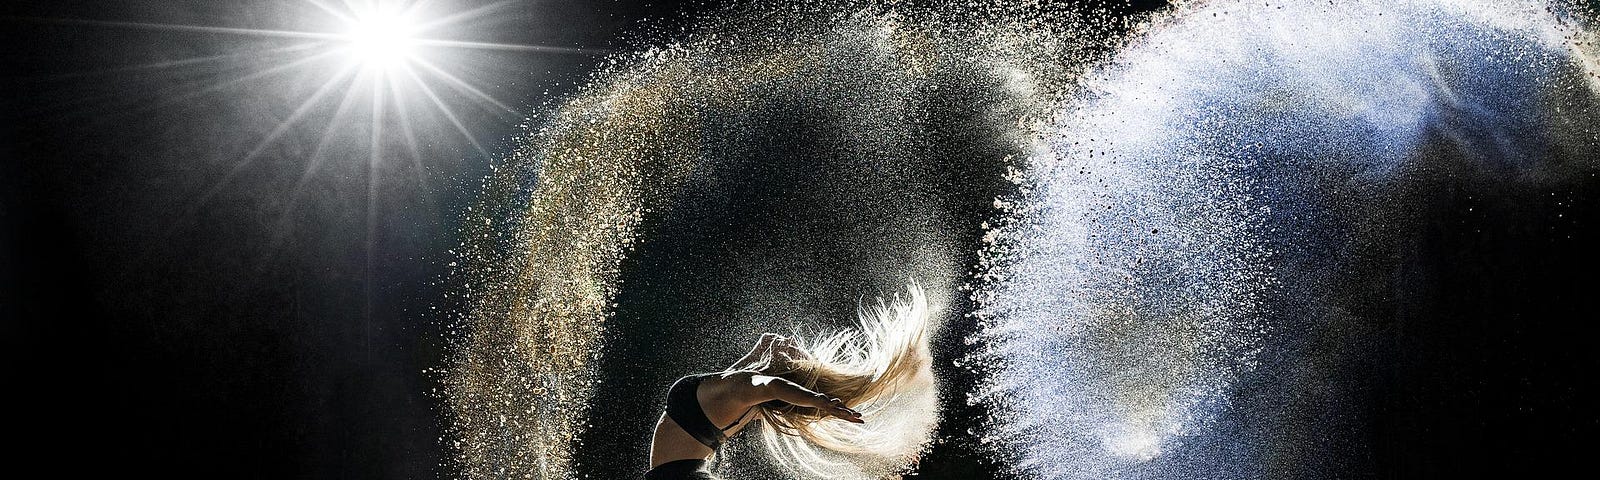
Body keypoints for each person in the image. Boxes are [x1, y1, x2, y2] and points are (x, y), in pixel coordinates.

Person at [644, 282, 933, 479]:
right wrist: (770, 350)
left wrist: (818, 400)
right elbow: (763, 356)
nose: (793, 347)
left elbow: (772, 385)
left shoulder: (747, 389)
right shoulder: (736, 393)